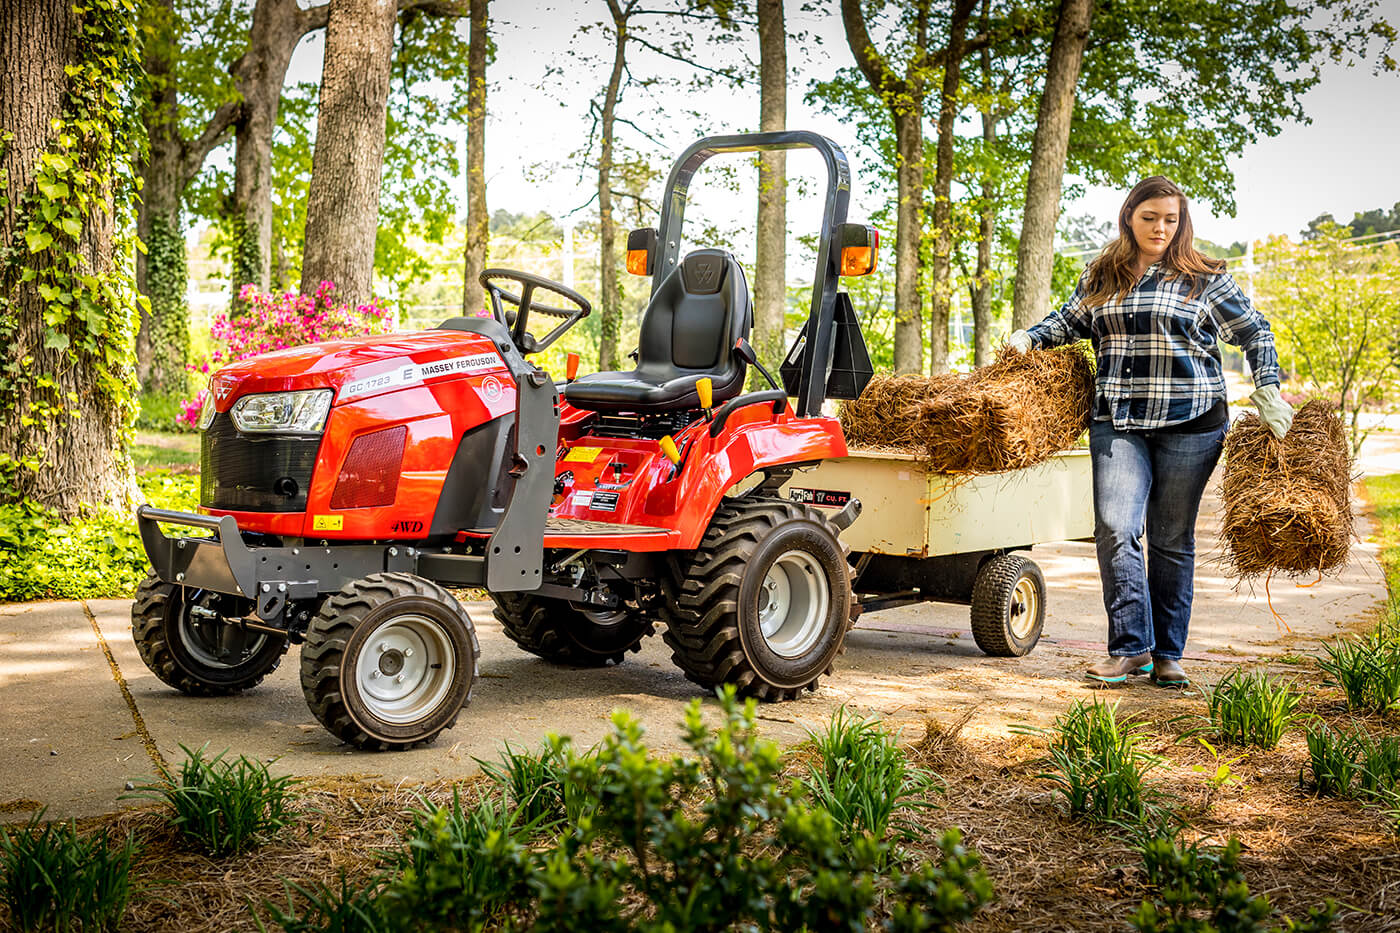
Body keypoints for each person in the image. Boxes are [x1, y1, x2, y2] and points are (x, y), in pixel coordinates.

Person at [1009, 176, 1292, 687]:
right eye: (1150, 218)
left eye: (1171, 219)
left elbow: (1255, 331)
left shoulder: (1203, 277)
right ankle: (1129, 648)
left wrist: (1268, 387)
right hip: (1118, 421)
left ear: (1181, 223)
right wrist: (1030, 338)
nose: (1160, 228)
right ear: (1129, 216)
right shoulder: (1103, 272)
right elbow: (1070, 322)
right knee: (1116, 527)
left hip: (1192, 423)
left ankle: (1168, 655)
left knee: (1170, 538)